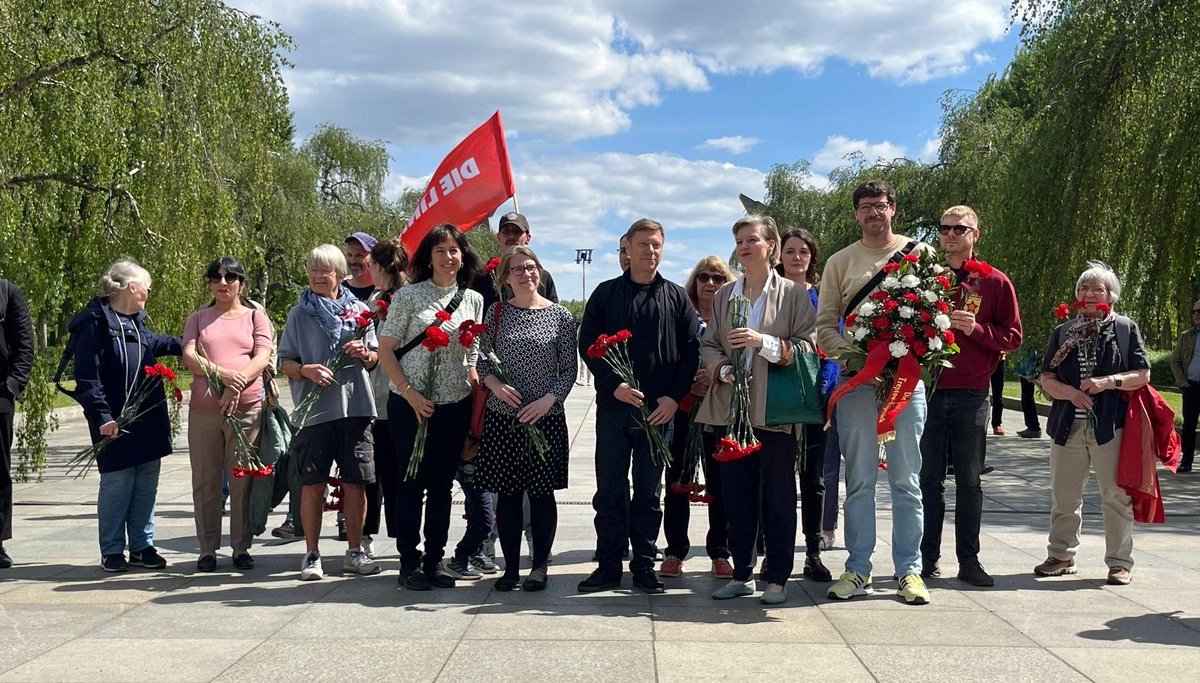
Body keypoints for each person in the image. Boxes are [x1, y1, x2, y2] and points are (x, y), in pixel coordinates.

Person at [816, 179, 934, 605]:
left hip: (906, 383)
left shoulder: (921, 255)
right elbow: (825, 324)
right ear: (856, 214)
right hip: (858, 382)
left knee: (906, 481)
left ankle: (909, 570)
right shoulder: (839, 262)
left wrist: (909, 350)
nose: (873, 213)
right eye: (865, 207)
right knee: (860, 480)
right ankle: (858, 568)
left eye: (880, 205)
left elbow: (933, 313)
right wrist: (859, 355)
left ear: (893, 209)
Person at [697, 215, 816, 605]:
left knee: (779, 496)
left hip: (775, 411)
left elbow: (807, 346)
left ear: (771, 246)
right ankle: (742, 573)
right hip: (731, 410)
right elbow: (710, 344)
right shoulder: (726, 294)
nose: (743, 246)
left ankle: (778, 576)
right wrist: (723, 368)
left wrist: (763, 341)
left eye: (751, 240)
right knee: (737, 495)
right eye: (739, 240)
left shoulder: (793, 295)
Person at [577, 218, 700, 594]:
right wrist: (613, 385)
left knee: (649, 494)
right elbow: (588, 344)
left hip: (659, 413)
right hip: (615, 410)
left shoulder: (677, 297)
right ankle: (609, 565)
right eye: (642, 244)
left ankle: (644, 564)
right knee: (610, 491)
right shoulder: (605, 293)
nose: (650, 251)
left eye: (656, 245)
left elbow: (692, 351)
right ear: (627, 249)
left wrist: (673, 397)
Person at [918, 206, 1023, 588]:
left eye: (959, 229)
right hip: (927, 390)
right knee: (927, 479)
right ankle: (926, 559)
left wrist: (977, 329)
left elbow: (1013, 337)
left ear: (975, 234)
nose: (950, 235)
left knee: (969, 480)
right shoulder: (924, 277)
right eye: (944, 228)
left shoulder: (994, 282)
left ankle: (969, 560)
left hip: (971, 393)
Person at [378, 224, 484, 591]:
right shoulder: (408, 297)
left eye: (454, 250)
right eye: (440, 250)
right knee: (411, 484)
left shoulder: (472, 299)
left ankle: (435, 561)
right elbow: (386, 349)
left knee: (441, 487)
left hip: (453, 404)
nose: (448, 257)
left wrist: (475, 383)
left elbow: (470, 353)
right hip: (410, 404)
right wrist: (409, 392)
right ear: (429, 256)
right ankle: (409, 562)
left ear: (463, 255)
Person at [1035, 262, 1149, 585]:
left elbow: (1142, 374)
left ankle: (1119, 562)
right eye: (1083, 289)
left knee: (1115, 496)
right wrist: (1070, 393)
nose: (1088, 294)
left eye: (1096, 289)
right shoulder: (1063, 332)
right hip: (1067, 426)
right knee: (1064, 495)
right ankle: (1061, 554)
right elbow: (1047, 378)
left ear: (1110, 295)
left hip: (1109, 427)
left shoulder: (1125, 329)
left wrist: (1108, 381)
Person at [69, 258, 182, 572]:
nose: (149, 289)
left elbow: (156, 343)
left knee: (146, 484)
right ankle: (112, 550)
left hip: (148, 417)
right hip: (113, 421)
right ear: (133, 288)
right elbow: (87, 378)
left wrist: (191, 345)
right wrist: (102, 416)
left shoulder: (137, 321)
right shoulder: (95, 322)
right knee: (118, 485)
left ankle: (143, 546)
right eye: (146, 285)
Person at [476, 246, 578, 591]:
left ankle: (538, 568)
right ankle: (509, 570)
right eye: (517, 269)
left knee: (541, 494)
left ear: (541, 272)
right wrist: (495, 386)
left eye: (531, 267)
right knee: (507, 496)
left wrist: (549, 401)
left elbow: (568, 370)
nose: (526, 274)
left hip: (544, 418)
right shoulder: (497, 313)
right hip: (504, 416)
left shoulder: (560, 316)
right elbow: (482, 361)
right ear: (505, 277)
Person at [279, 244, 380, 581]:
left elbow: (375, 359)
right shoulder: (299, 313)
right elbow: (285, 362)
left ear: (341, 275)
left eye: (325, 271)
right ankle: (311, 554)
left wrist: (364, 351)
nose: (318, 276)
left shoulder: (359, 311)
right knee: (312, 484)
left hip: (356, 408)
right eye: (312, 270)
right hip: (315, 413)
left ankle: (355, 552)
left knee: (356, 482)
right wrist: (305, 370)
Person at [182, 258, 274, 572]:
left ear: (242, 283)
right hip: (204, 413)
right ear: (209, 283)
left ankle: (241, 547)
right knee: (206, 482)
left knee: (242, 483)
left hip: (247, 410)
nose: (224, 283)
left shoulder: (255, 317)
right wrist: (222, 375)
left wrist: (236, 385)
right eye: (217, 277)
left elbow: (262, 355)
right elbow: (189, 356)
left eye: (231, 277)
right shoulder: (198, 318)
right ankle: (207, 549)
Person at [660, 256, 735, 580]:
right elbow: (669, 355)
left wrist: (715, 376)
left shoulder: (733, 315)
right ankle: (675, 550)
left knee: (721, 483)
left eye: (718, 278)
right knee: (677, 481)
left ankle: (720, 551)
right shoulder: (681, 315)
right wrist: (689, 382)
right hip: (685, 407)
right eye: (704, 277)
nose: (710, 284)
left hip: (719, 410)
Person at [776, 227, 837, 582]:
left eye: (803, 251)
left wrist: (827, 384)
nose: (796, 257)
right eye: (790, 251)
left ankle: (813, 551)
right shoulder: (772, 295)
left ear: (812, 257)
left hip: (815, 398)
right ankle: (773, 551)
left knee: (812, 478)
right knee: (777, 478)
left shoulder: (823, 296)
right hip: (777, 397)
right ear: (779, 256)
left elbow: (834, 339)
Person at [363, 238, 408, 558]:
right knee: (394, 472)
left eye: (371, 267)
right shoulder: (382, 298)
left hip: (388, 395)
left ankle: (374, 535)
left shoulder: (392, 301)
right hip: (394, 396)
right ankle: (401, 534)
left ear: (378, 267)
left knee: (376, 473)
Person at [0, 277, 34, 569]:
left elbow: (24, 347)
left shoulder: (8, 292)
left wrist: (11, 386)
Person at [472, 212, 558, 313]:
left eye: (517, 232)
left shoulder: (542, 276)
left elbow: (553, 314)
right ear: (498, 237)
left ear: (528, 238)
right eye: (506, 232)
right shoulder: (482, 277)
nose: (511, 236)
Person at [1169, 298, 1200, 473]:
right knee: (1189, 425)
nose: (1196, 314)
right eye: (1194, 312)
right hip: (1192, 388)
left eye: (1199, 311)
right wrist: (1183, 383)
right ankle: (1186, 461)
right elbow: (1175, 361)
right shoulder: (1186, 336)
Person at [1016, 349, 1043, 439]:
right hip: (1025, 371)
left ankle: (1033, 427)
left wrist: (1030, 372)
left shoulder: (1030, 342)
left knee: (1027, 399)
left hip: (1028, 372)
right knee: (1026, 398)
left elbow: (1032, 355)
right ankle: (1032, 426)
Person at [343, 232, 378, 302]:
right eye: (349, 255)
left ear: (374, 258)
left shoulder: (382, 292)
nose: (352, 261)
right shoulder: (340, 290)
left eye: (359, 255)